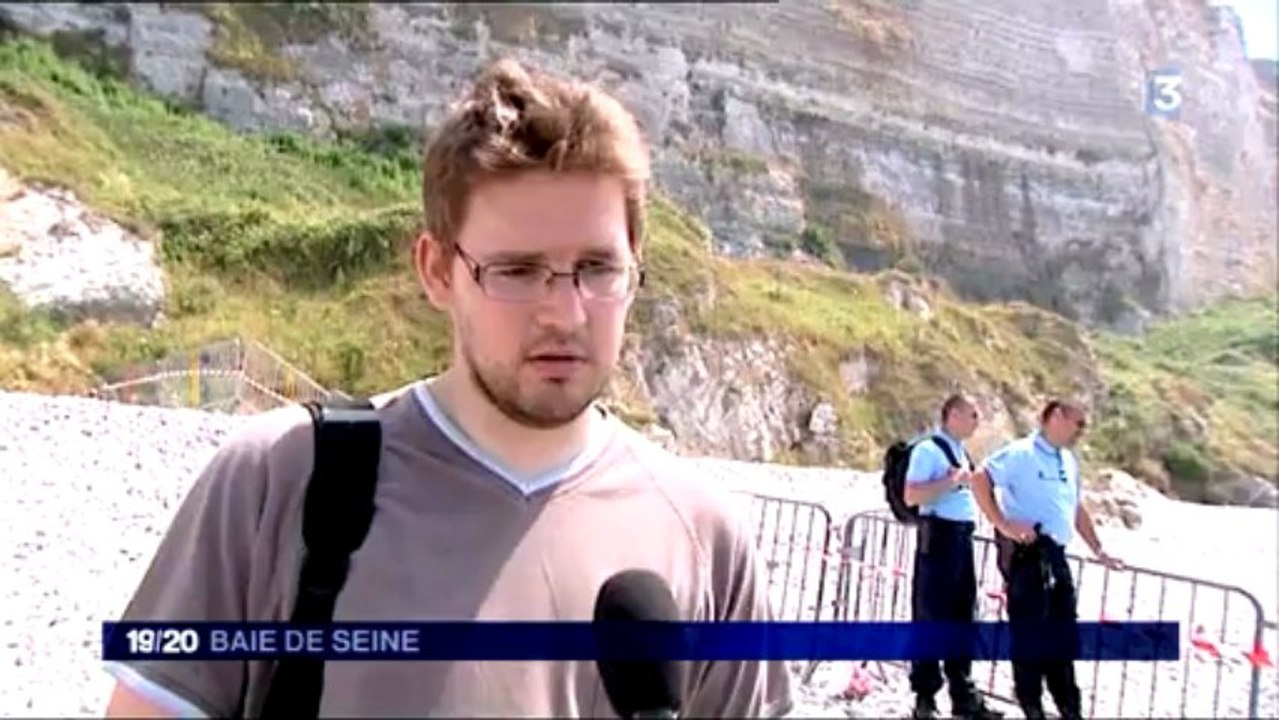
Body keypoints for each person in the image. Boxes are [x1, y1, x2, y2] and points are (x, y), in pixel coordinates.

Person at [103, 57, 794, 718]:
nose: (564, 311)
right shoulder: (277, 482)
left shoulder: (706, 538)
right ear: (436, 270)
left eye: (596, 267)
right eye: (517, 271)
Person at [969, 399, 1122, 720]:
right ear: (1055, 416)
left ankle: (1069, 708)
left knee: (1063, 635)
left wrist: (1098, 548)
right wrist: (1002, 524)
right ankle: (1032, 707)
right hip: (1029, 554)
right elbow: (981, 478)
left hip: (1057, 555)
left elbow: (1075, 508)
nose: (1082, 431)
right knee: (1030, 637)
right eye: (1078, 423)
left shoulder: (1068, 460)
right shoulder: (1021, 453)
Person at [902, 394, 1002, 720]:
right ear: (954, 415)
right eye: (973, 415)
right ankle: (925, 697)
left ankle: (963, 694)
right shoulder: (929, 450)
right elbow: (912, 494)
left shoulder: (961, 453)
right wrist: (950, 482)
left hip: (962, 538)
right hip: (939, 538)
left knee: (963, 616)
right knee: (931, 615)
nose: (977, 422)